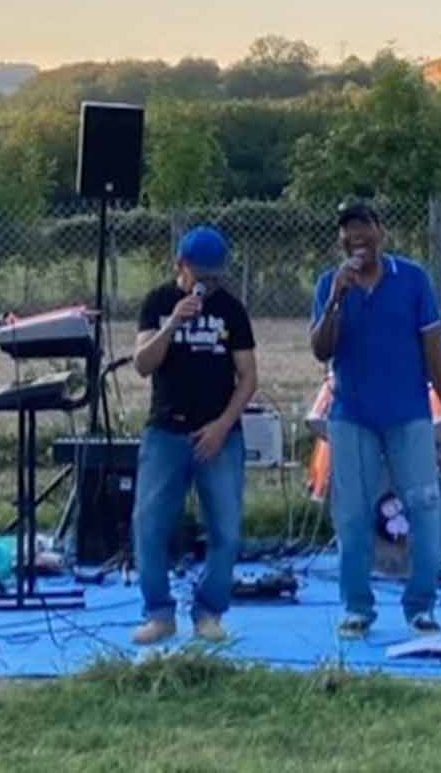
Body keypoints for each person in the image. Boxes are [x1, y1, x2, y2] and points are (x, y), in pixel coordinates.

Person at [310, 200, 441, 638]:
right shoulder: (329, 284)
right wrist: (337, 300)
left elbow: (435, 350)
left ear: (381, 232)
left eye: (363, 227)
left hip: (408, 413)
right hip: (352, 416)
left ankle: (421, 607)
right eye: (347, 230)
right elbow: (321, 349)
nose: (356, 237)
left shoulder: (412, 279)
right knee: (352, 514)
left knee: (425, 507)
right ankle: (358, 607)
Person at [130, 226, 258, 645]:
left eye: (216, 276)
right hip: (167, 430)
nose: (208, 283)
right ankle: (159, 613)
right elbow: (142, 364)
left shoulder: (232, 311)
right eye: (201, 273)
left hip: (218, 433)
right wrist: (172, 325)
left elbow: (248, 378)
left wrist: (223, 426)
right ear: (180, 266)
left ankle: (209, 611)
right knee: (150, 524)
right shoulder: (158, 302)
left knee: (226, 528)